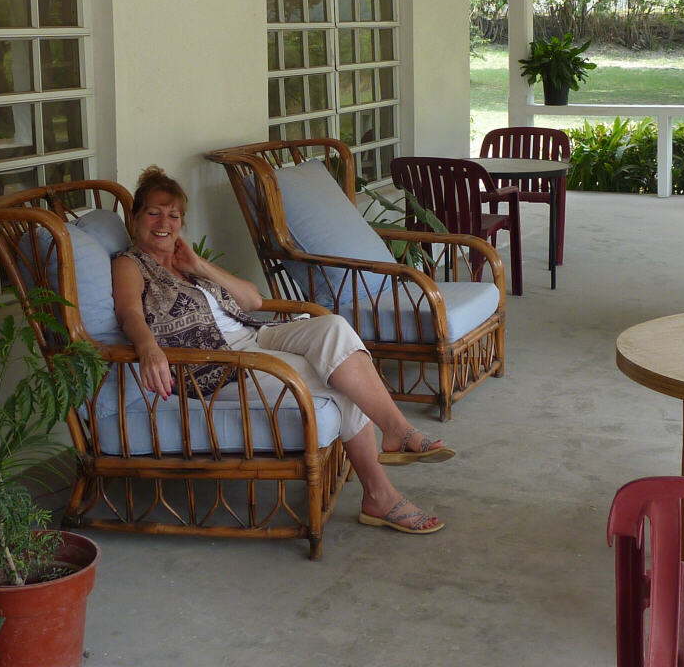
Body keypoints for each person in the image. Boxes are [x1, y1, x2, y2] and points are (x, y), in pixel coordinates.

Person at [110, 165, 452, 535]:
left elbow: (253, 300)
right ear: (135, 219)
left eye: (173, 215)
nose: (164, 222)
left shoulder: (185, 265)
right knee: (340, 379)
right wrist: (148, 348)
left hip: (254, 334)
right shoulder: (131, 264)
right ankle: (380, 493)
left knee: (334, 327)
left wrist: (199, 265)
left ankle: (396, 429)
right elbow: (129, 311)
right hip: (216, 364)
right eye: (154, 212)